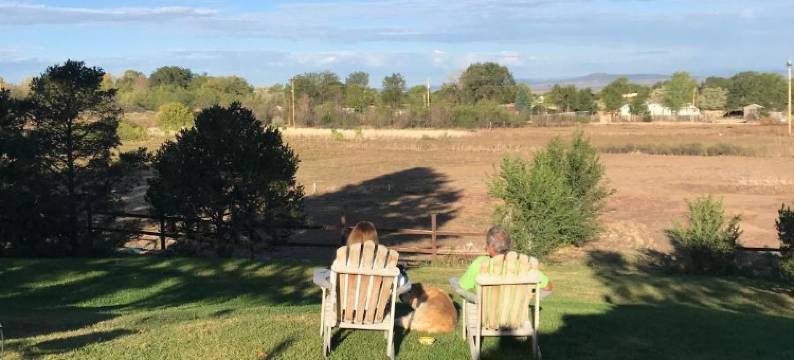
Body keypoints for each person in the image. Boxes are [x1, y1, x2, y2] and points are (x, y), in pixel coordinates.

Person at [450, 225, 551, 303]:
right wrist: (527, 296)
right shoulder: (523, 265)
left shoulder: (481, 263)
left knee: (454, 281)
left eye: (487, 244)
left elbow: (463, 288)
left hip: (488, 318)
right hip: (516, 318)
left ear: (490, 247)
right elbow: (548, 287)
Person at [313, 221, 411, 295]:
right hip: (376, 313)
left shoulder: (343, 260)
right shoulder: (384, 263)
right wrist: (390, 293)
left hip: (343, 312)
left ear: (352, 238)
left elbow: (326, 280)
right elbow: (405, 285)